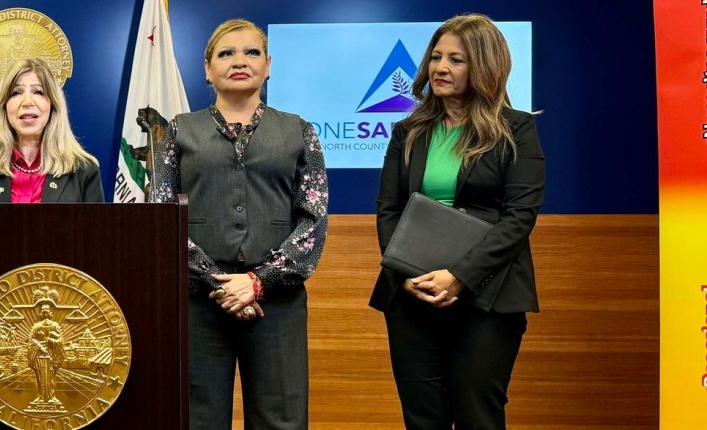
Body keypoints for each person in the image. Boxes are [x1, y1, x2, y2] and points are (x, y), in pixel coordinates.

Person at [149, 18, 328, 430]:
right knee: (196, 418)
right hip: (197, 304)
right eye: (226, 53)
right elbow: (162, 218)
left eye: (251, 52)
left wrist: (258, 281)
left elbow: (313, 221)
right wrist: (218, 281)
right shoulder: (177, 131)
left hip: (277, 305)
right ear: (207, 69)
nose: (239, 61)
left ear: (268, 65)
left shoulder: (300, 132)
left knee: (280, 419)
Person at [372, 14, 544, 429]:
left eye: (457, 59)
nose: (441, 68)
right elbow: (388, 209)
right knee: (422, 418)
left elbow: (519, 217)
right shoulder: (408, 131)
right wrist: (406, 271)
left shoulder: (516, 128)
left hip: (488, 295)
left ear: (485, 66)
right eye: (436, 57)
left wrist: (460, 276)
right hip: (412, 294)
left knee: (477, 416)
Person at [0, 58, 102, 203]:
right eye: (16, 93)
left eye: (38, 92)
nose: (27, 102)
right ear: (4, 106)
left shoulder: (84, 171)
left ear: (53, 105)